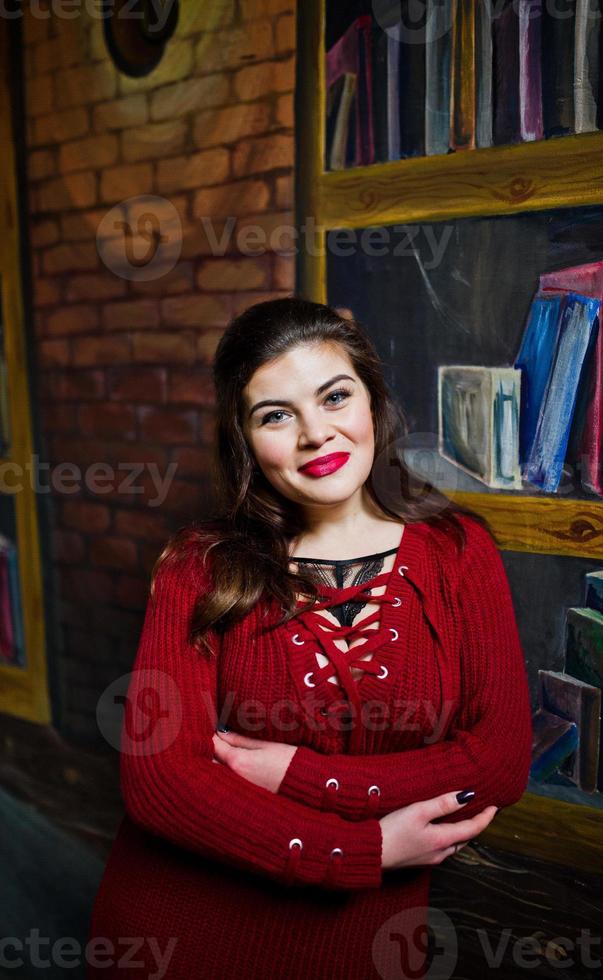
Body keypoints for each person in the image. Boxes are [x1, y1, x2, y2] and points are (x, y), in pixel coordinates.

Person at [86, 296, 532, 980]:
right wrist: (366, 848)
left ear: (372, 400)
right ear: (244, 439)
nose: (315, 434)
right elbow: (160, 781)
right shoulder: (199, 563)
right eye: (275, 415)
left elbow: (498, 761)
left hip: (358, 946)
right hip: (177, 938)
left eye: (334, 396)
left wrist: (305, 777)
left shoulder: (458, 552)